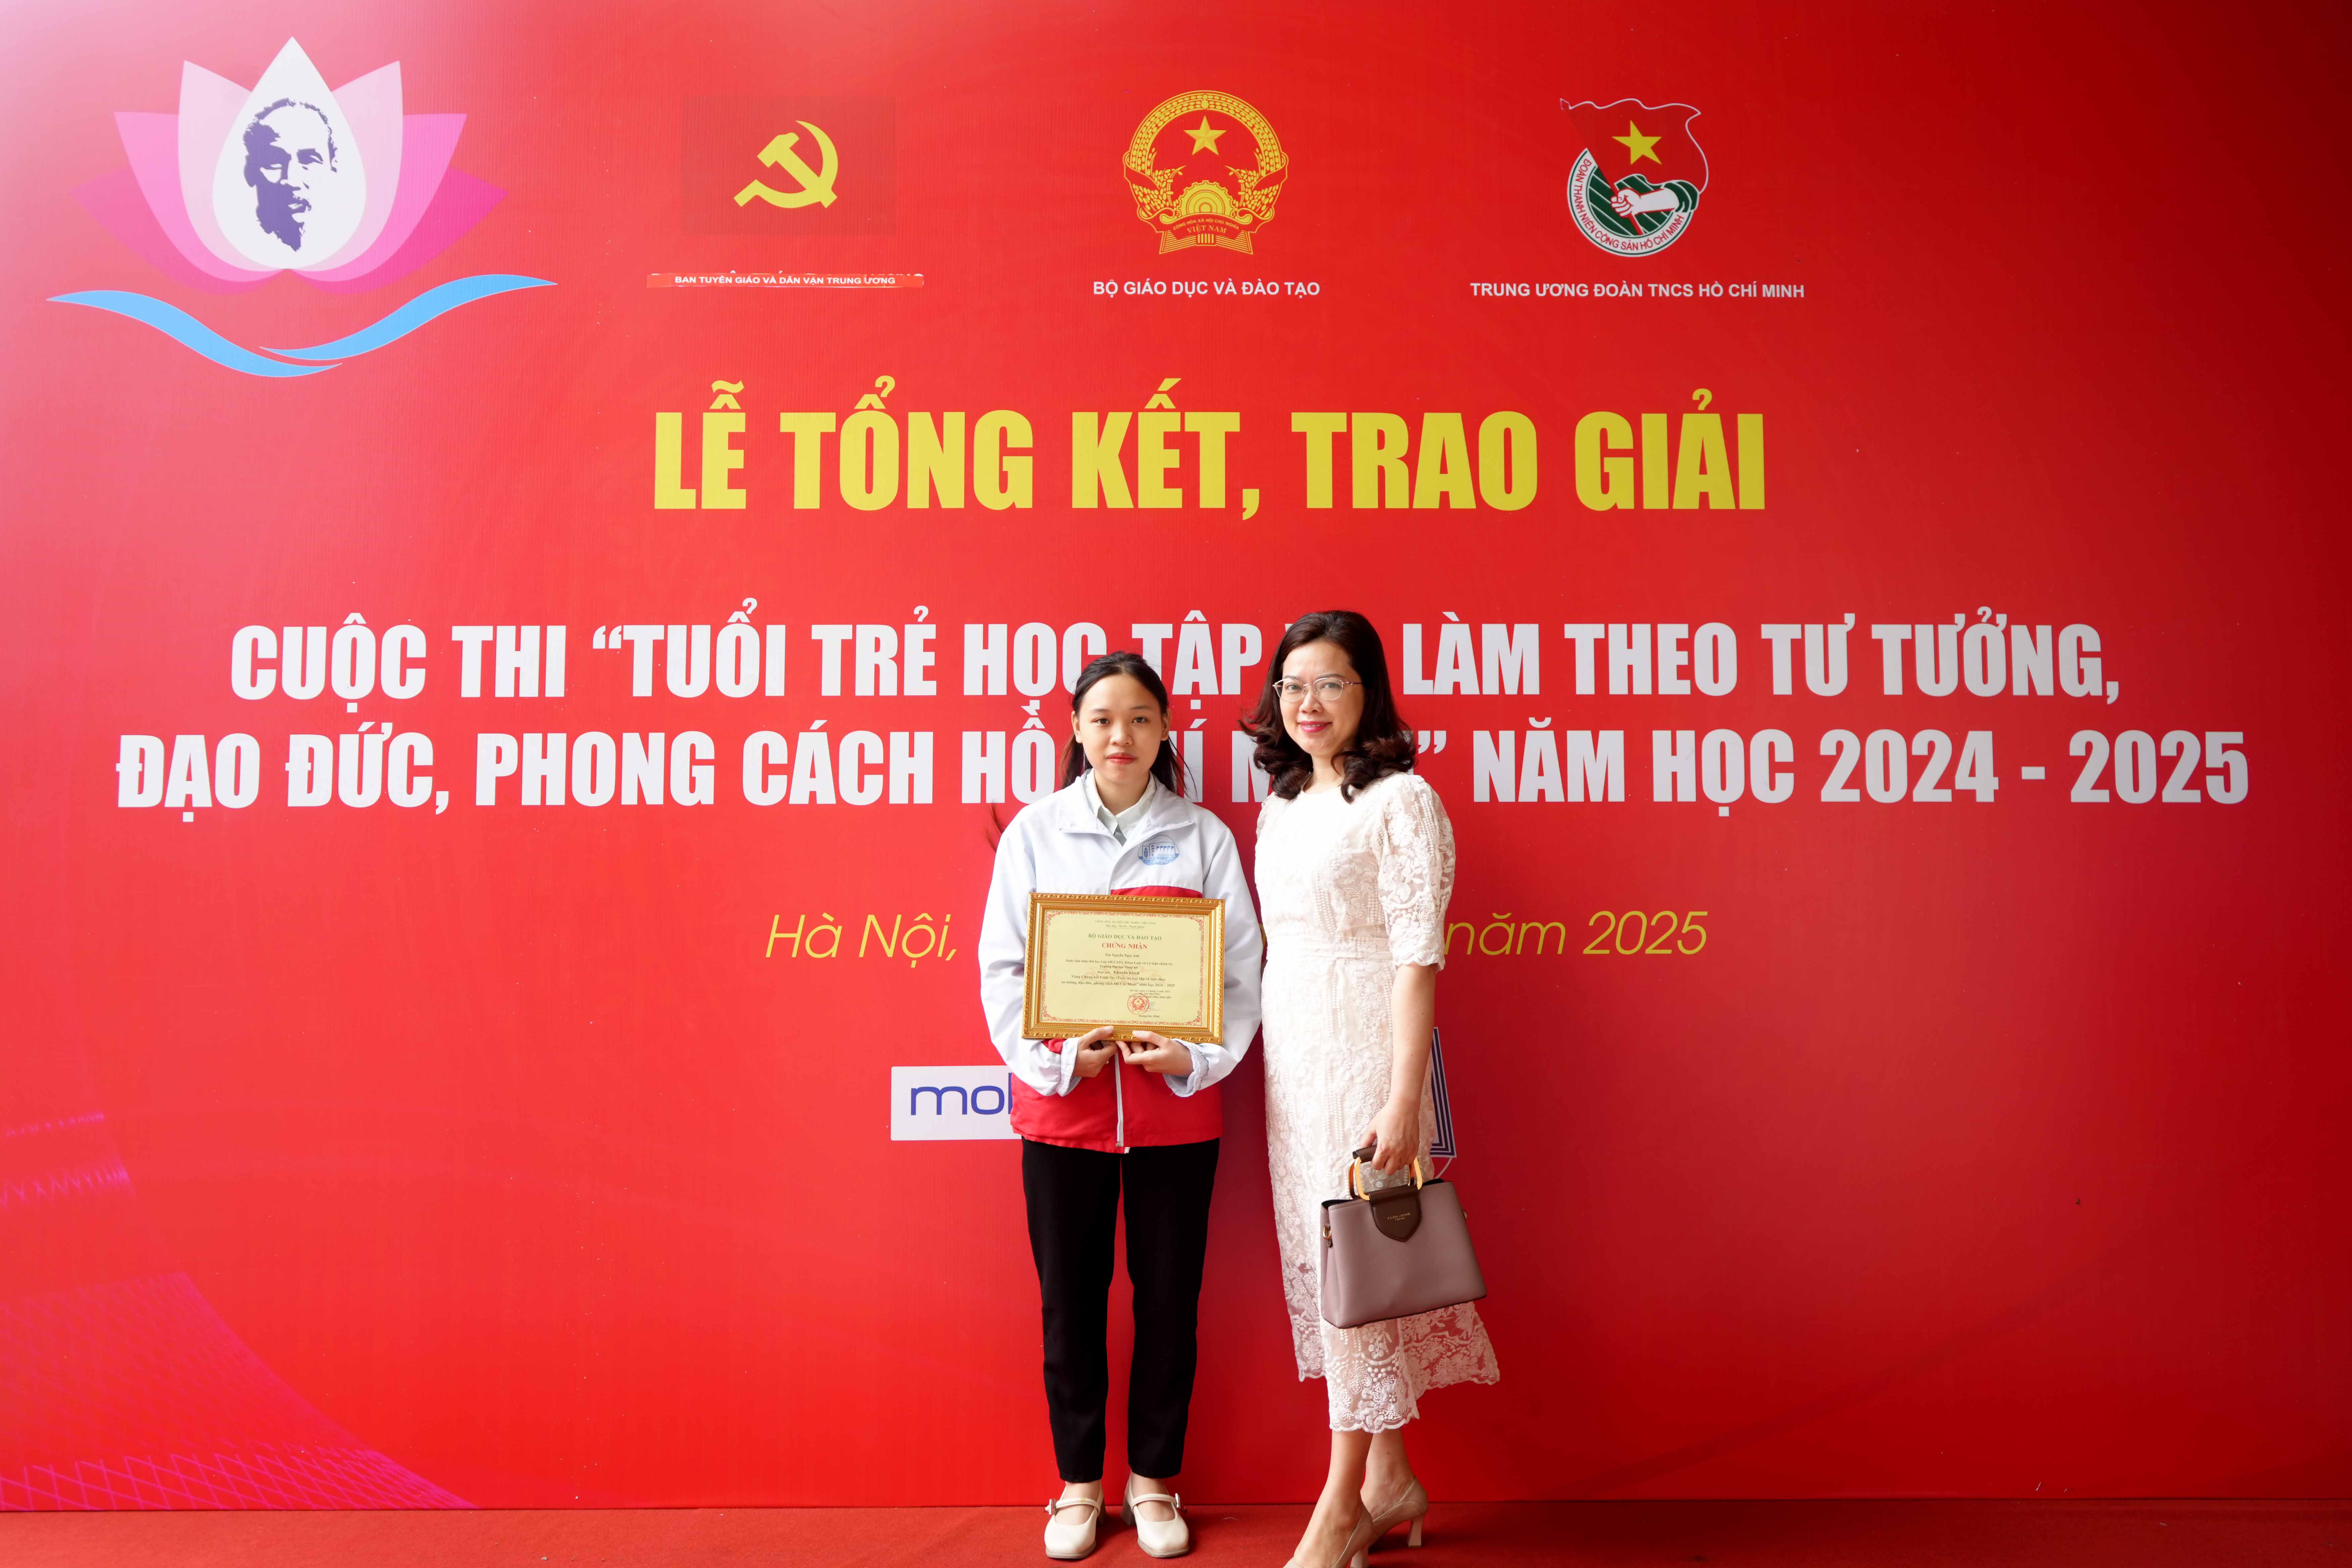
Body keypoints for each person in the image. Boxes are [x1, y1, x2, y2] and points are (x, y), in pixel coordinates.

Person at [979, 650, 1265, 1561]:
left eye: (1140, 718)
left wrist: (1196, 1058)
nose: (1121, 736)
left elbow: (1241, 971)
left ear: (1166, 729)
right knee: (1070, 1306)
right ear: (1074, 728)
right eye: (1103, 719)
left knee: (1170, 1304)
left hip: (1175, 1118)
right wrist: (1061, 1057)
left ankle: (1154, 1481)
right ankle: (1078, 1485)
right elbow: (1003, 971)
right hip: (1063, 1116)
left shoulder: (1204, 837)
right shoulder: (1036, 834)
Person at [1242, 611, 1501, 1568]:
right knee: (1330, 1269)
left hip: (1365, 1058)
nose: (1307, 703)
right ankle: (1392, 1481)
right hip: (1294, 1064)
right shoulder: (1281, 806)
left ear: (1370, 695)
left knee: (1354, 1261)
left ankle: (1341, 1502)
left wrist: (1401, 1100)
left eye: (1331, 684)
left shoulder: (1403, 801)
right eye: (1293, 685)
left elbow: (1417, 960)